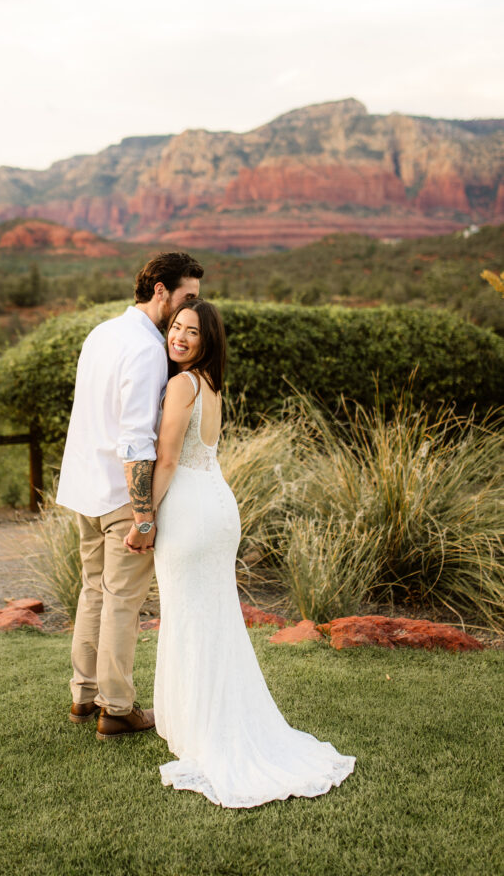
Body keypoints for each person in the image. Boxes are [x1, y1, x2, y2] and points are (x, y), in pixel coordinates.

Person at [151, 299, 355, 807]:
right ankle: (208, 721)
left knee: (191, 616)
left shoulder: (182, 385)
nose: (178, 336)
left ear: (207, 340)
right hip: (218, 504)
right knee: (213, 616)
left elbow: (169, 457)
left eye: (190, 331)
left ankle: (204, 733)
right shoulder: (211, 385)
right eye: (175, 326)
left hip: (190, 510)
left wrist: (142, 518)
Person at [56, 251, 203, 741]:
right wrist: (144, 516)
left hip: (84, 488)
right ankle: (116, 708)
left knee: (92, 591)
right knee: (121, 602)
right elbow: (137, 440)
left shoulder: (101, 332)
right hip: (121, 495)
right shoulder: (144, 350)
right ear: (160, 290)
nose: (192, 309)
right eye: (188, 297)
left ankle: (83, 696)